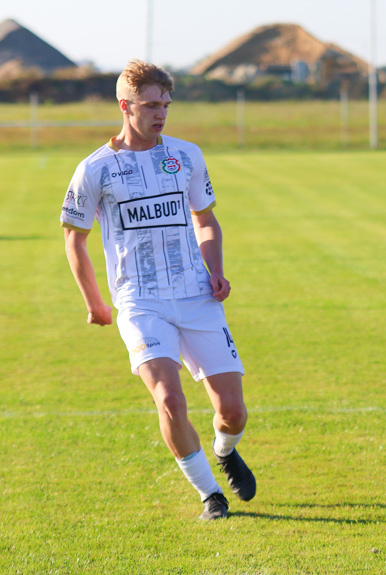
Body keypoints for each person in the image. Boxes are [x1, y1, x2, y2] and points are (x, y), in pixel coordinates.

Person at [60, 60, 255, 520]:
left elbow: (205, 219)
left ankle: (225, 451)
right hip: (139, 302)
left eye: (165, 104)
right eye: (150, 105)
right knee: (169, 399)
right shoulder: (95, 169)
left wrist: (216, 270)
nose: (161, 113)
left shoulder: (187, 155)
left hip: (196, 295)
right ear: (125, 106)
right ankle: (211, 495)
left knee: (233, 411)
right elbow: (75, 238)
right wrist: (95, 303)